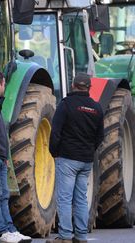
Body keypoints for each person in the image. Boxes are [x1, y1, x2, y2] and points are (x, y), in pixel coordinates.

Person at [47, 72, 104, 243]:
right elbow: (100, 136)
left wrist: (54, 153)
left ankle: (64, 235)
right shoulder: (96, 107)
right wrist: (88, 151)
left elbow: (55, 132)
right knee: (80, 198)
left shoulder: (66, 105)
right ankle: (81, 235)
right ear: (89, 87)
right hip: (86, 160)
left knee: (65, 198)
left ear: (73, 85)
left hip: (67, 158)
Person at [0, 71, 31, 243]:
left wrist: (4, 156)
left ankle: (10, 229)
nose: (5, 87)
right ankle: (2, 231)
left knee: (4, 194)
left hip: (0, 158)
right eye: (4, 84)